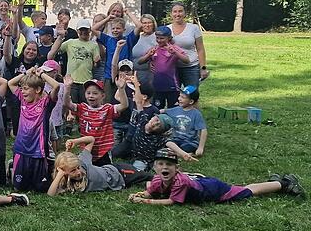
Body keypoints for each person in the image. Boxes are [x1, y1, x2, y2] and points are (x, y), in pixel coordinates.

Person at [128, 148, 304, 205]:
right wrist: (140, 195)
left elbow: (171, 202)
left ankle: (283, 184)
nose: (164, 167)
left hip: (213, 190)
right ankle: (273, 181)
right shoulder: (159, 178)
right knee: (243, 188)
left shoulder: (180, 181)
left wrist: (146, 201)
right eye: (161, 164)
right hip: (204, 183)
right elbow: (152, 190)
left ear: (177, 168)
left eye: (169, 165)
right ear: (155, 167)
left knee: (246, 191)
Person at [7, 68, 61, 192]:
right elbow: (11, 83)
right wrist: (26, 73)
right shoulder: (22, 100)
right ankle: (12, 168)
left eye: (26, 88)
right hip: (21, 149)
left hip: (39, 151)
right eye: (22, 88)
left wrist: (41, 74)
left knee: (40, 188)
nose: (22, 91)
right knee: (19, 187)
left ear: (37, 90)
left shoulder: (46, 104)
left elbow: (56, 86)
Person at [48, 136, 153, 195]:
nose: (78, 172)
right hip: (119, 182)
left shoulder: (83, 162)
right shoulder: (65, 183)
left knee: (146, 176)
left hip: (119, 172)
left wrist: (75, 141)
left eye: (77, 168)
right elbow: (50, 194)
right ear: (63, 171)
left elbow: (91, 140)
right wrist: (59, 175)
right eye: (73, 171)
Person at [62, 75, 129, 166]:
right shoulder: (82, 108)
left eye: (95, 93)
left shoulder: (107, 109)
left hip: (103, 150)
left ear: (103, 96)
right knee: (87, 172)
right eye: (88, 93)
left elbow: (124, 105)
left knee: (105, 173)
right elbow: (67, 103)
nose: (91, 96)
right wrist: (67, 87)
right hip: (87, 149)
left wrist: (121, 89)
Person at [49, 18, 100, 104]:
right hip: (71, 81)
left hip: (86, 81)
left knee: (84, 107)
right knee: (70, 106)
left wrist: (97, 61)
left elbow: (96, 65)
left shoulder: (94, 45)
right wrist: (60, 37)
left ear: (89, 31)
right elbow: (53, 51)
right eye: (81, 30)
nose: (83, 32)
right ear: (77, 31)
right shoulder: (71, 42)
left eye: (86, 30)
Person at [138, 26, 190, 109]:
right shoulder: (154, 49)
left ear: (169, 38)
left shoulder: (173, 48)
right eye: (157, 38)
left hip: (172, 86)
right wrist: (148, 55)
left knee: (173, 109)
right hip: (157, 86)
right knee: (157, 109)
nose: (159, 40)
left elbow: (187, 60)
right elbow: (140, 61)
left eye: (162, 38)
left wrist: (175, 52)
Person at [92, 13, 139, 103]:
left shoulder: (128, 39)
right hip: (109, 76)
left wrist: (128, 12)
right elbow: (94, 29)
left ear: (124, 29)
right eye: (113, 28)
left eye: (118, 28)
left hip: (125, 76)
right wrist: (108, 18)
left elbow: (139, 26)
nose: (115, 30)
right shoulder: (108, 39)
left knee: (124, 101)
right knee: (108, 102)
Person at [168, 2, 209, 88]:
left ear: (185, 13)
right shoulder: (167, 29)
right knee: (174, 97)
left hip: (191, 68)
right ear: (171, 14)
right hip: (172, 68)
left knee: (191, 94)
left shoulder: (193, 28)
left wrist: (203, 68)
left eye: (180, 11)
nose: (177, 14)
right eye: (175, 11)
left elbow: (200, 49)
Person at [163, 86, 208, 156]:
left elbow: (203, 130)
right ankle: (182, 153)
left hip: (189, 141)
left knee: (187, 147)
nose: (179, 99)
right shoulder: (176, 109)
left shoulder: (196, 114)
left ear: (191, 101)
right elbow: (163, 111)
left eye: (183, 97)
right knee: (168, 144)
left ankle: (179, 153)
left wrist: (200, 148)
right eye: (179, 96)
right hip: (175, 139)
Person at [131, 14, 158, 95]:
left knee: (148, 96)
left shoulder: (157, 37)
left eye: (149, 23)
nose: (147, 25)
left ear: (153, 24)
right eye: (144, 23)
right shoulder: (137, 36)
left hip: (149, 73)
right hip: (135, 73)